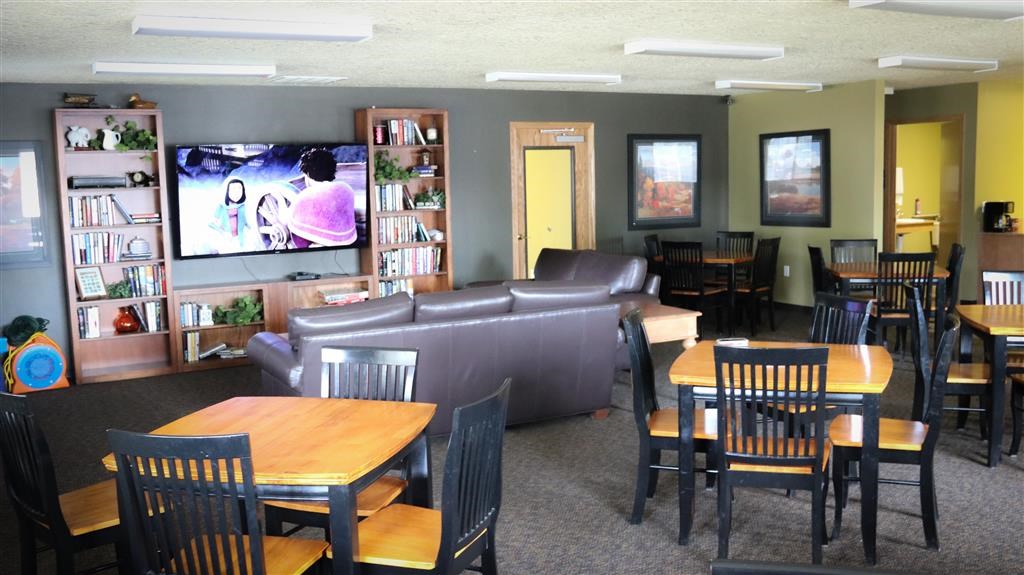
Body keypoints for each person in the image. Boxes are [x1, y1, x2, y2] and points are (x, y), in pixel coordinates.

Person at [288, 148, 357, 247]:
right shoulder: (345, 188)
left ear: (307, 174)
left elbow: (289, 224)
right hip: (349, 241)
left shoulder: (306, 196)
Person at [211, 177, 249, 248]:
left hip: (241, 240)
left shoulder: (242, 206)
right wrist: (223, 232)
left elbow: (245, 222)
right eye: (233, 189)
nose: (237, 192)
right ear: (227, 191)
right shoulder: (221, 206)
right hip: (225, 242)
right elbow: (211, 223)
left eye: (239, 189)